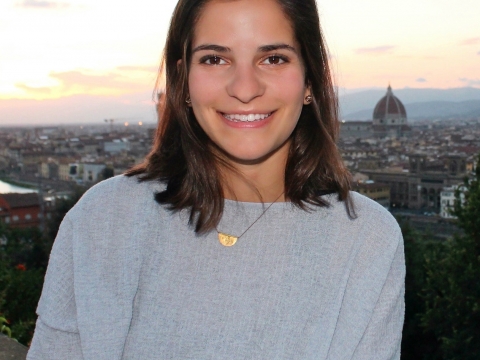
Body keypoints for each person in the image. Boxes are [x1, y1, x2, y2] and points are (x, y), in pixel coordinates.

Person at [27, 0, 405, 358]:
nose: (244, 88)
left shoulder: (365, 240)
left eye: (273, 58)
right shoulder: (105, 220)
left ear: (310, 79)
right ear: (183, 80)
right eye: (214, 58)